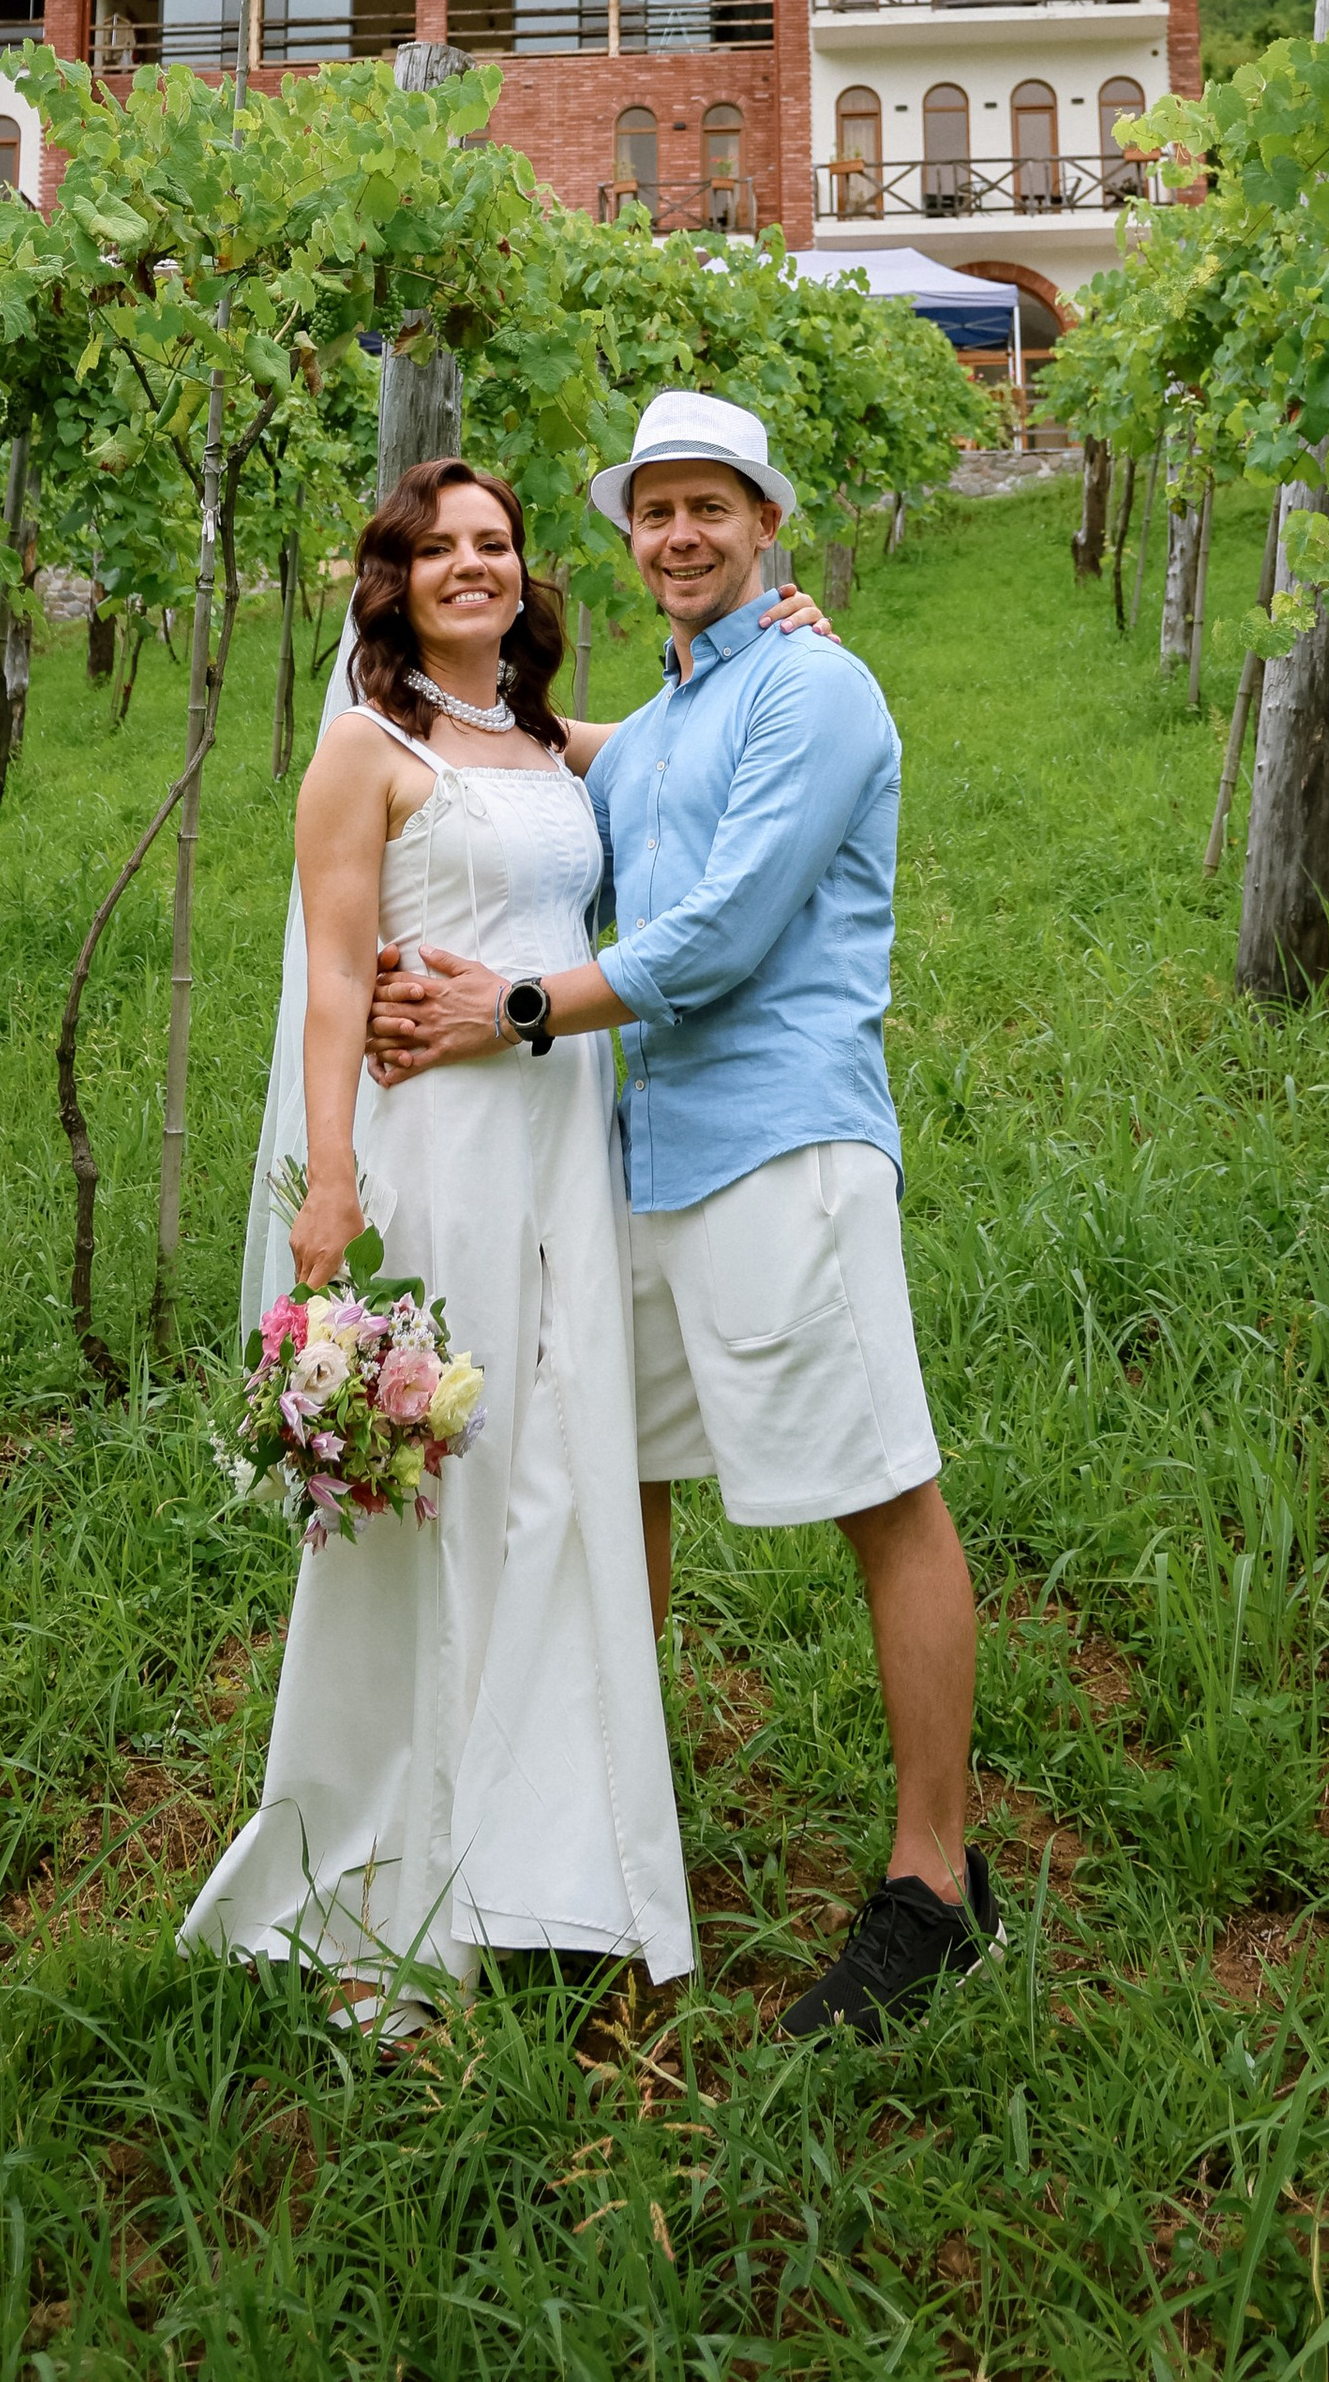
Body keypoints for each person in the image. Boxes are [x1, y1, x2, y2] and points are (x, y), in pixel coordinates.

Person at [178, 454, 836, 2032]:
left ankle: (548, 1848)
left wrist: (773, 629)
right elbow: (337, 985)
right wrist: (330, 1186)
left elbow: (695, 754)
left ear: (525, 573)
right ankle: (397, 1855)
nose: (473, 567)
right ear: (394, 582)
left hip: (566, 1145)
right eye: (440, 549)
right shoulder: (366, 748)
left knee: (561, 1474)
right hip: (440, 1151)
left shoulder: (549, 742)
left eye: (497, 545)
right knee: (456, 1491)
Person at [368, 390, 993, 2042]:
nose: (682, 537)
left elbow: (711, 941)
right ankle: (593, 1833)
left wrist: (505, 1006)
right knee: (614, 1478)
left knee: (880, 1488)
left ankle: (937, 1885)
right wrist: (411, 698)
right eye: (656, 513)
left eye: (713, 507)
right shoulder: (682, 699)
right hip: (649, 1164)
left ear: (767, 523)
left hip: (785, 1150)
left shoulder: (819, 688)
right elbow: (580, 769)